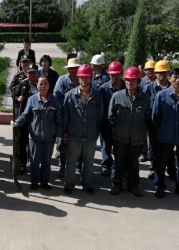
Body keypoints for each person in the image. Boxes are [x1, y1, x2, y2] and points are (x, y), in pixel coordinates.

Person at [152, 68, 179, 200]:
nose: (178, 80)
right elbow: (155, 116)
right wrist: (164, 128)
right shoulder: (161, 96)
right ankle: (159, 186)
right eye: (175, 77)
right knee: (161, 163)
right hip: (165, 135)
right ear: (169, 79)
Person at [13, 76, 63, 191]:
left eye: (45, 84)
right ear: (37, 86)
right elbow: (26, 115)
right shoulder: (32, 100)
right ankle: (34, 181)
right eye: (41, 84)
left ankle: (44, 182)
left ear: (49, 85)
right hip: (34, 137)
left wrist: (59, 135)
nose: (43, 86)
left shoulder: (54, 101)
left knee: (47, 161)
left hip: (49, 137)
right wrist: (17, 121)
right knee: (34, 161)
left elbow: (59, 119)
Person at [108, 67, 151, 197]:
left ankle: (133, 186)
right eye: (127, 80)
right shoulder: (117, 96)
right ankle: (116, 184)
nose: (129, 83)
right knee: (118, 162)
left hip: (137, 138)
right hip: (120, 138)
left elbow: (147, 117)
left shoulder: (145, 98)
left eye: (132, 80)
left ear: (138, 81)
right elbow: (110, 116)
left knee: (133, 163)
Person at [62, 64, 103, 195]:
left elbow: (100, 115)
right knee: (71, 161)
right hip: (74, 134)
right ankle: (69, 184)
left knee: (89, 162)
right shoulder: (70, 95)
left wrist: (97, 132)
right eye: (81, 77)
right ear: (78, 78)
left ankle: (86, 184)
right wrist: (65, 132)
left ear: (91, 77)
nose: (84, 80)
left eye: (86, 77)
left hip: (91, 135)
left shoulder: (97, 96)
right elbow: (65, 115)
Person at [143, 60, 177, 180]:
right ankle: (154, 168)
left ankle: (172, 171)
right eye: (159, 72)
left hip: (168, 124)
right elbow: (144, 106)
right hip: (153, 124)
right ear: (155, 73)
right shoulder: (148, 88)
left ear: (168, 73)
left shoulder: (173, 88)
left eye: (164, 72)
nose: (161, 74)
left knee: (169, 149)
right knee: (153, 148)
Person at [53, 57, 81, 178]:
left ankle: (79, 167)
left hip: (80, 117)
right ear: (68, 70)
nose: (73, 71)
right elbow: (57, 97)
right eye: (71, 68)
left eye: (75, 68)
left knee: (79, 144)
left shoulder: (83, 80)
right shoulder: (62, 81)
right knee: (64, 143)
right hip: (65, 116)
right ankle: (62, 167)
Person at [98, 61, 125, 178]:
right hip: (106, 123)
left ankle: (120, 168)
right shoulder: (103, 89)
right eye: (112, 74)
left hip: (122, 124)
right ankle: (106, 165)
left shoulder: (127, 87)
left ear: (121, 73)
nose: (114, 77)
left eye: (116, 74)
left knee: (121, 147)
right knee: (106, 145)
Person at [14, 64, 40, 174]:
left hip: (38, 119)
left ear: (38, 73)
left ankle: (34, 163)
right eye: (30, 73)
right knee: (22, 141)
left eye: (34, 72)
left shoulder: (42, 84)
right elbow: (14, 95)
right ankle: (22, 164)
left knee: (35, 142)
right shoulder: (23, 84)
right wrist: (17, 98)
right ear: (26, 74)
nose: (32, 75)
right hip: (25, 117)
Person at [139, 60, 156, 162]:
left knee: (153, 135)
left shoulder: (158, 82)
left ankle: (152, 153)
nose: (150, 72)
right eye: (148, 70)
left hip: (154, 113)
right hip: (143, 112)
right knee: (142, 133)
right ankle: (143, 153)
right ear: (144, 71)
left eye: (152, 69)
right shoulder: (141, 82)